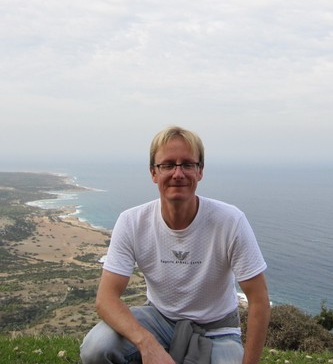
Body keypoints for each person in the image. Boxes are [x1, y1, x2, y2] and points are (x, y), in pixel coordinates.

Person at [80, 126, 270, 364]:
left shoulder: (230, 221)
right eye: (168, 165)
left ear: (199, 172)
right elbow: (106, 299)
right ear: (153, 173)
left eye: (187, 164)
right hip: (160, 318)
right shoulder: (132, 222)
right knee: (96, 348)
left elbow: (259, 299)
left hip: (217, 329)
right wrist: (147, 343)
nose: (178, 173)